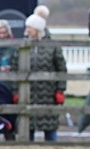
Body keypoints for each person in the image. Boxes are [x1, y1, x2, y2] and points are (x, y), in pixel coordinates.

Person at [23, 11, 67, 141]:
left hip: (48, 93)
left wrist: (60, 89)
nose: (27, 30)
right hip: (29, 93)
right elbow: (16, 67)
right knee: (27, 126)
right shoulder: (24, 46)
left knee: (50, 127)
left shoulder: (53, 46)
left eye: (29, 28)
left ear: (36, 29)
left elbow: (61, 69)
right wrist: (16, 90)